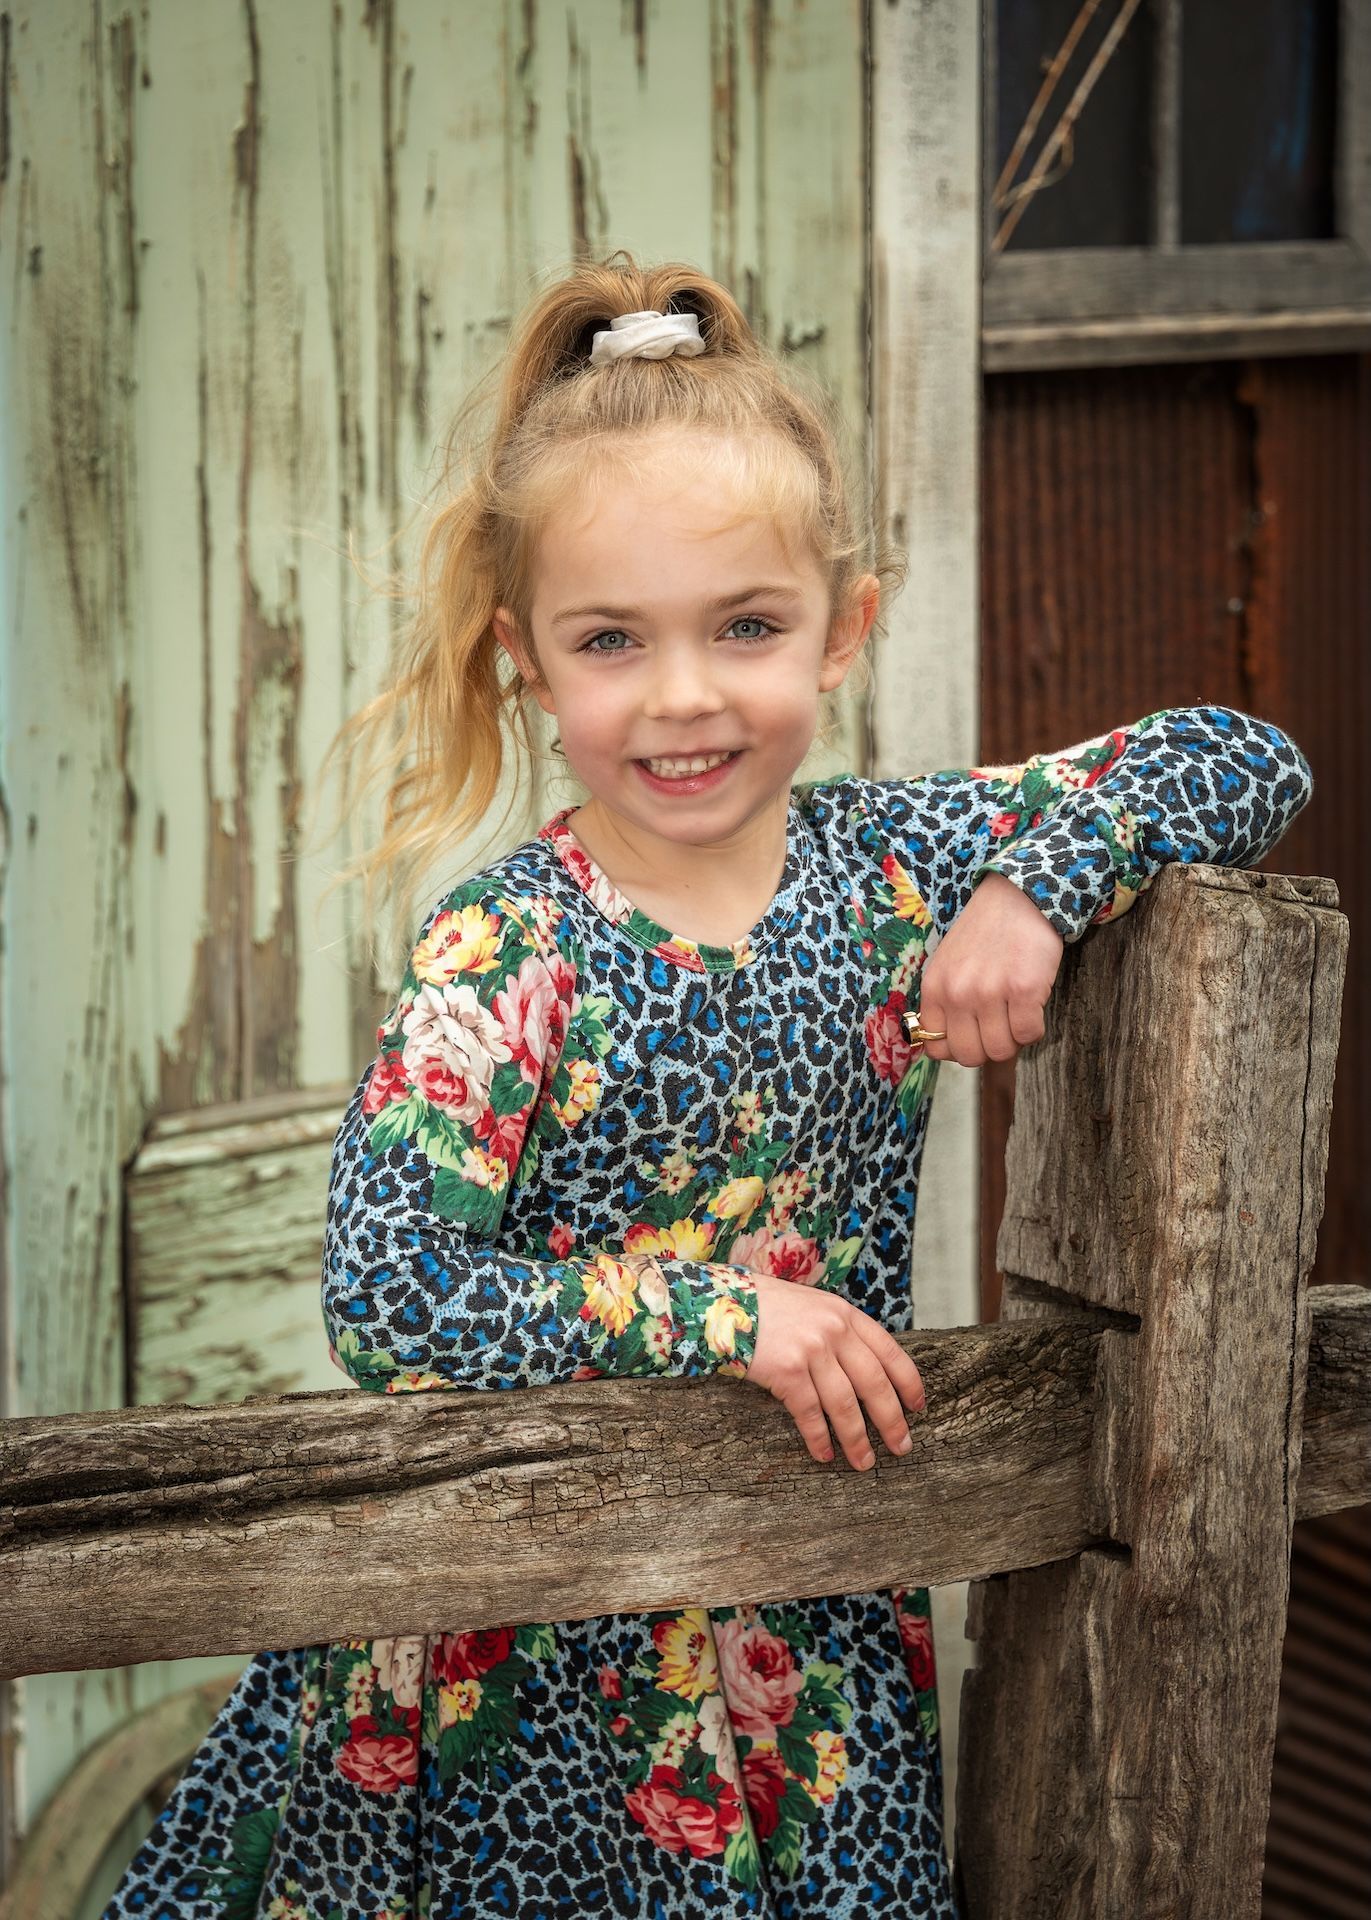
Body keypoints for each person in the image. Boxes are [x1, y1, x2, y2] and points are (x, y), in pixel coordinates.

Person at [103, 256, 1313, 1920]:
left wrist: (1037, 887)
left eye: (747, 626)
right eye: (615, 640)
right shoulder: (510, 947)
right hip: (522, 1640)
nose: (685, 695)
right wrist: (729, 1321)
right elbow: (389, 1292)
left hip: (798, 1629)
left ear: (845, 627)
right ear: (528, 660)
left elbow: (1247, 757)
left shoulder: (893, 867)